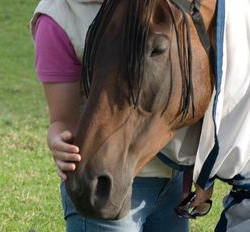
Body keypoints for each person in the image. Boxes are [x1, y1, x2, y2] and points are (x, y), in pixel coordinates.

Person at [30, 0, 190, 231]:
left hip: (172, 182)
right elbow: (62, 120)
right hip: (103, 183)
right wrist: (58, 139)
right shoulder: (58, 19)